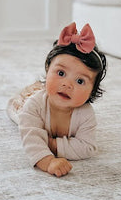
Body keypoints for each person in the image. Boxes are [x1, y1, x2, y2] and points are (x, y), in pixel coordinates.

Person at [7, 22, 107, 177]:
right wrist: (48, 161)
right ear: (47, 69)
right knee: (23, 105)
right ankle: (36, 87)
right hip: (23, 105)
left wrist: (52, 144)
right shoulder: (34, 105)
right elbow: (31, 138)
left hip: (47, 97)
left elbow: (88, 147)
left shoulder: (85, 114)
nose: (67, 84)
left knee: (44, 90)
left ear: (92, 91)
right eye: (60, 73)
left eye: (80, 81)